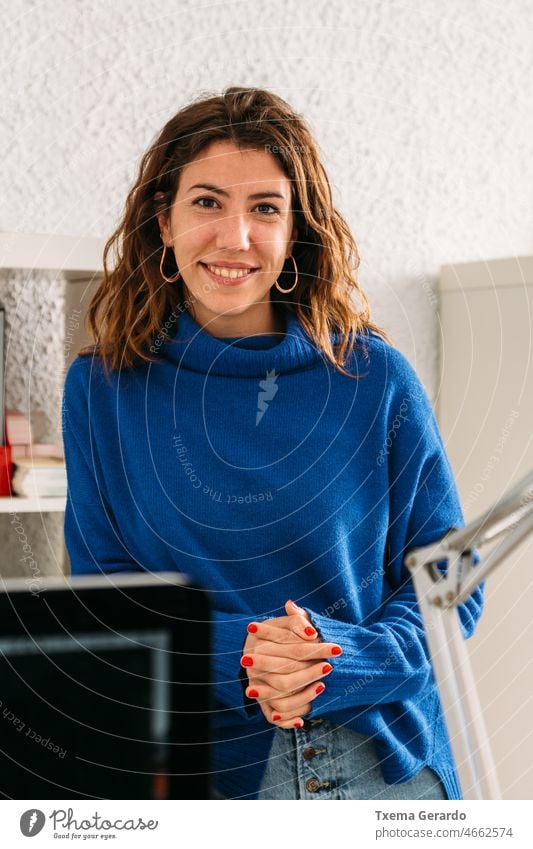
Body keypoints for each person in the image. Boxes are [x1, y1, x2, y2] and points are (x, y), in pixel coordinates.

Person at [62, 85, 484, 801]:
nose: (235, 236)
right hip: (202, 773)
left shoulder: (373, 377)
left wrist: (338, 659)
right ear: (162, 220)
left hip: (381, 766)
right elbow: (107, 597)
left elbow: (451, 581)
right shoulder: (102, 388)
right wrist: (243, 654)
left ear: (295, 233)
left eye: (265, 207)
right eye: (206, 202)